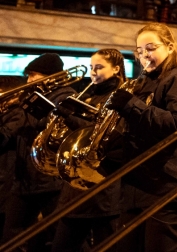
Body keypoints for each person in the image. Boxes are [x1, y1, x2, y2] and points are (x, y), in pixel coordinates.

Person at [107, 23, 177, 252]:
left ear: (170, 47)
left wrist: (130, 105)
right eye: (139, 51)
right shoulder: (144, 82)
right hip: (141, 187)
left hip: (170, 187)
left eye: (150, 48)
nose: (144, 55)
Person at [51, 49, 126, 252]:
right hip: (75, 189)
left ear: (116, 69)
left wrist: (69, 118)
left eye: (99, 67)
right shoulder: (87, 95)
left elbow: (100, 136)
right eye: (92, 67)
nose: (93, 72)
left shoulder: (119, 97)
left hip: (102, 187)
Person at [0, 54, 76, 252]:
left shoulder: (65, 96)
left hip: (49, 179)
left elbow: (49, 124)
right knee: (11, 236)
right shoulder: (30, 96)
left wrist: (26, 106)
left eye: (33, 75)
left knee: (58, 235)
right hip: (24, 177)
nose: (29, 80)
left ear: (49, 76)